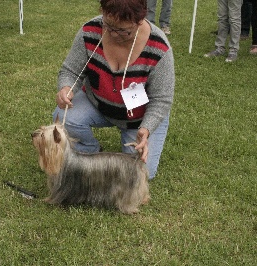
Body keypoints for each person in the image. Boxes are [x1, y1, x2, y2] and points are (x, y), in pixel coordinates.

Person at [53, 0, 175, 180]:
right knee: (66, 117)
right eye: (108, 25)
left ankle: (132, 136)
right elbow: (71, 70)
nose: (114, 34)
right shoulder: (90, 31)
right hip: (98, 105)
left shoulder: (159, 47)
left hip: (140, 119)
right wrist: (66, 87)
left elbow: (161, 99)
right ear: (102, 11)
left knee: (142, 173)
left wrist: (146, 128)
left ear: (140, 20)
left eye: (124, 31)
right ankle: (90, 153)